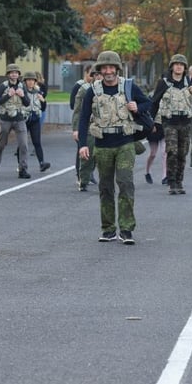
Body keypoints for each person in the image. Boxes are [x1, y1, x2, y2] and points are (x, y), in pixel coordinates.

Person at [78, 51, 152, 244]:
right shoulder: (92, 91)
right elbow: (84, 117)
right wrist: (83, 145)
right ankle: (108, 228)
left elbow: (148, 103)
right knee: (105, 187)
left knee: (126, 183)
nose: (108, 71)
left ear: (117, 69)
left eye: (112, 67)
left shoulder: (128, 87)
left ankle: (126, 229)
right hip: (102, 145)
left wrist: (138, 107)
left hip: (125, 143)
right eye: (105, 68)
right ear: (100, 70)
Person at [151, 54, 192, 195]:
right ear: (172, 66)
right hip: (169, 122)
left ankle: (179, 181)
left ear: (185, 68)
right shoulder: (164, 83)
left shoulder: (190, 81)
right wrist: (151, 122)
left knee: (183, 153)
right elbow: (154, 102)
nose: (179, 67)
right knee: (172, 151)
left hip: (185, 122)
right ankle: (171, 182)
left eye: (181, 65)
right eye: (176, 64)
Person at [0, 64, 31, 178]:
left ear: (19, 74)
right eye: (11, 72)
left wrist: (23, 96)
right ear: (8, 74)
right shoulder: (3, 86)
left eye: (16, 72)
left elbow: (27, 103)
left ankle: (23, 169)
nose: (14, 74)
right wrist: (8, 96)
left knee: (23, 145)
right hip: (6, 119)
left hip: (19, 119)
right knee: (1, 145)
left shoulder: (22, 86)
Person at [71, 64, 98, 188]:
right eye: (95, 75)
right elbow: (77, 111)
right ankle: (83, 179)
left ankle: (94, 176)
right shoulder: (85, 89)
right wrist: (76, 129)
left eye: (100, 74)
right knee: (87, 154)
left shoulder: (110, 89)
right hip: (88, 127)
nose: (98, 77)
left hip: (104, 127)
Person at [21, 71, 51, 172]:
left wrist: (43, 100)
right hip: (24, 119)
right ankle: (21, 165)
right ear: (25, 81)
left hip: (35, 119)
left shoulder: (38, 92)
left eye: (32, 80)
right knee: (23, 143)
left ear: (35, 82)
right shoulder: (22, 92)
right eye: (28, 80)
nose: (30, 82)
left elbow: (43, 108)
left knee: (37, 142)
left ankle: (42, 163)